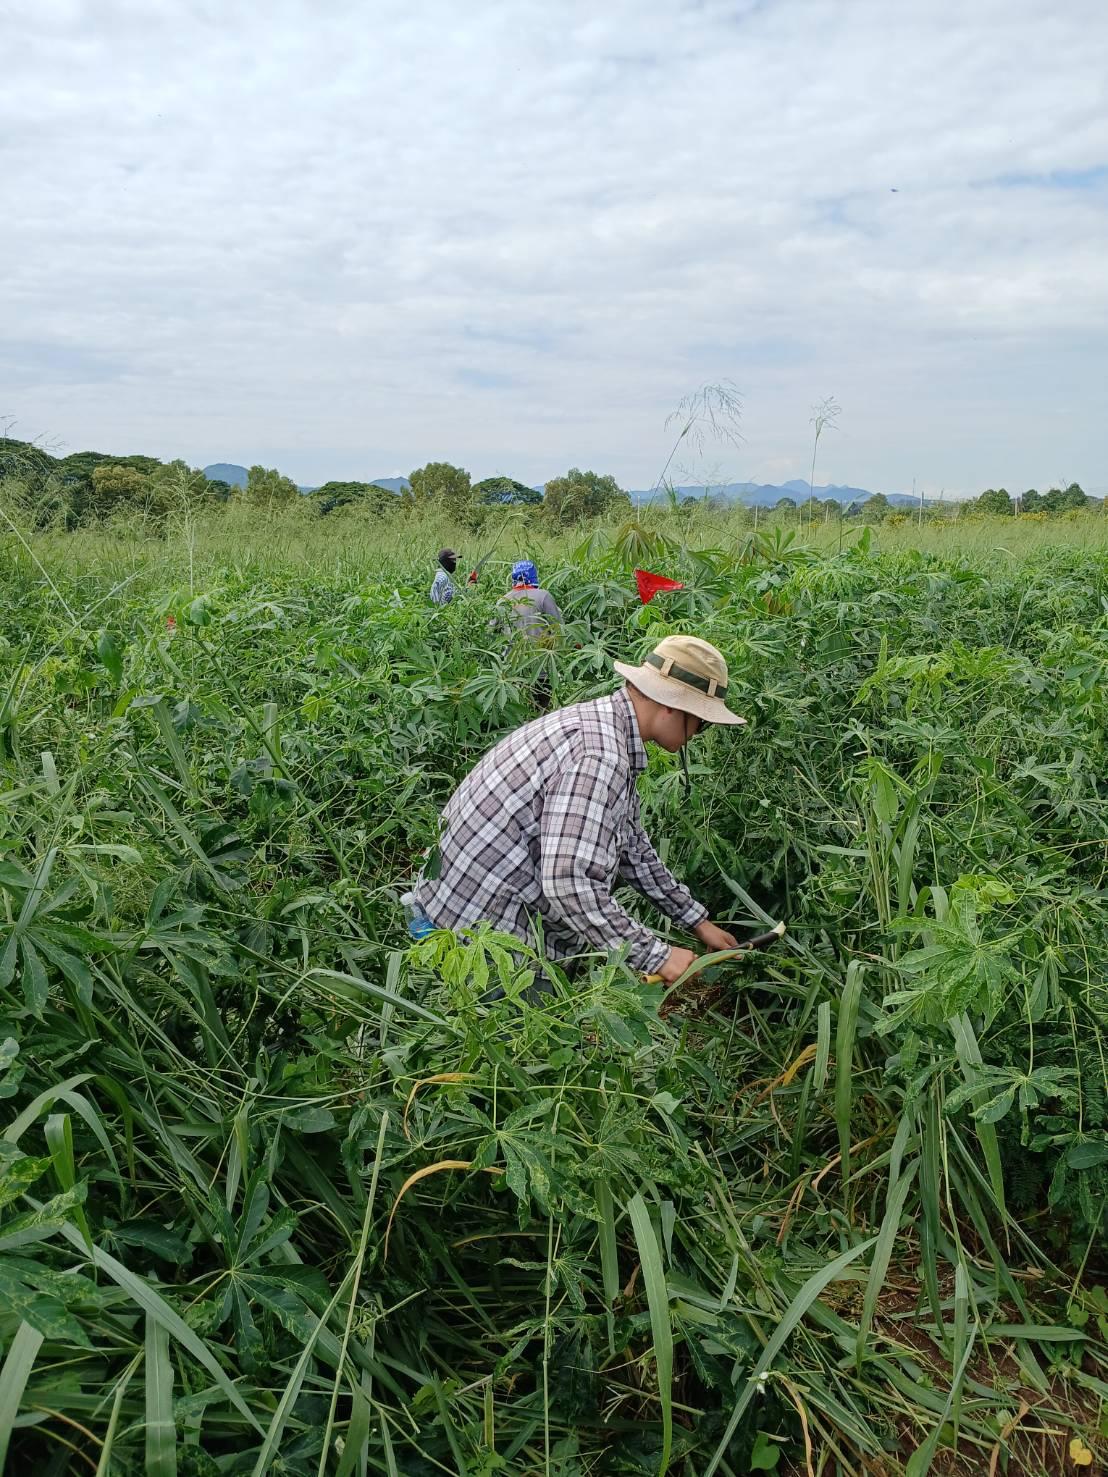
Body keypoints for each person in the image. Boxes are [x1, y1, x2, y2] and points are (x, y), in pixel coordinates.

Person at [414, 634, 747, 984]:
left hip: (450, 909)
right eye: (702, 722)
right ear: (672, 706)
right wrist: (657, 956)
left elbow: (631, 845)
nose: (698, 734)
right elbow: (567, 881)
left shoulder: (603, 725)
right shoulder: (600, 756)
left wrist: (695, 920)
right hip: (474, 943)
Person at [494, 559, 563, 710]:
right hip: (542, 666)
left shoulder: (503, 601)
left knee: (520, 714)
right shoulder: (543, 596)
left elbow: (491, 630)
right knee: (542, 711)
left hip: (511, 667)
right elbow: (559, 629)